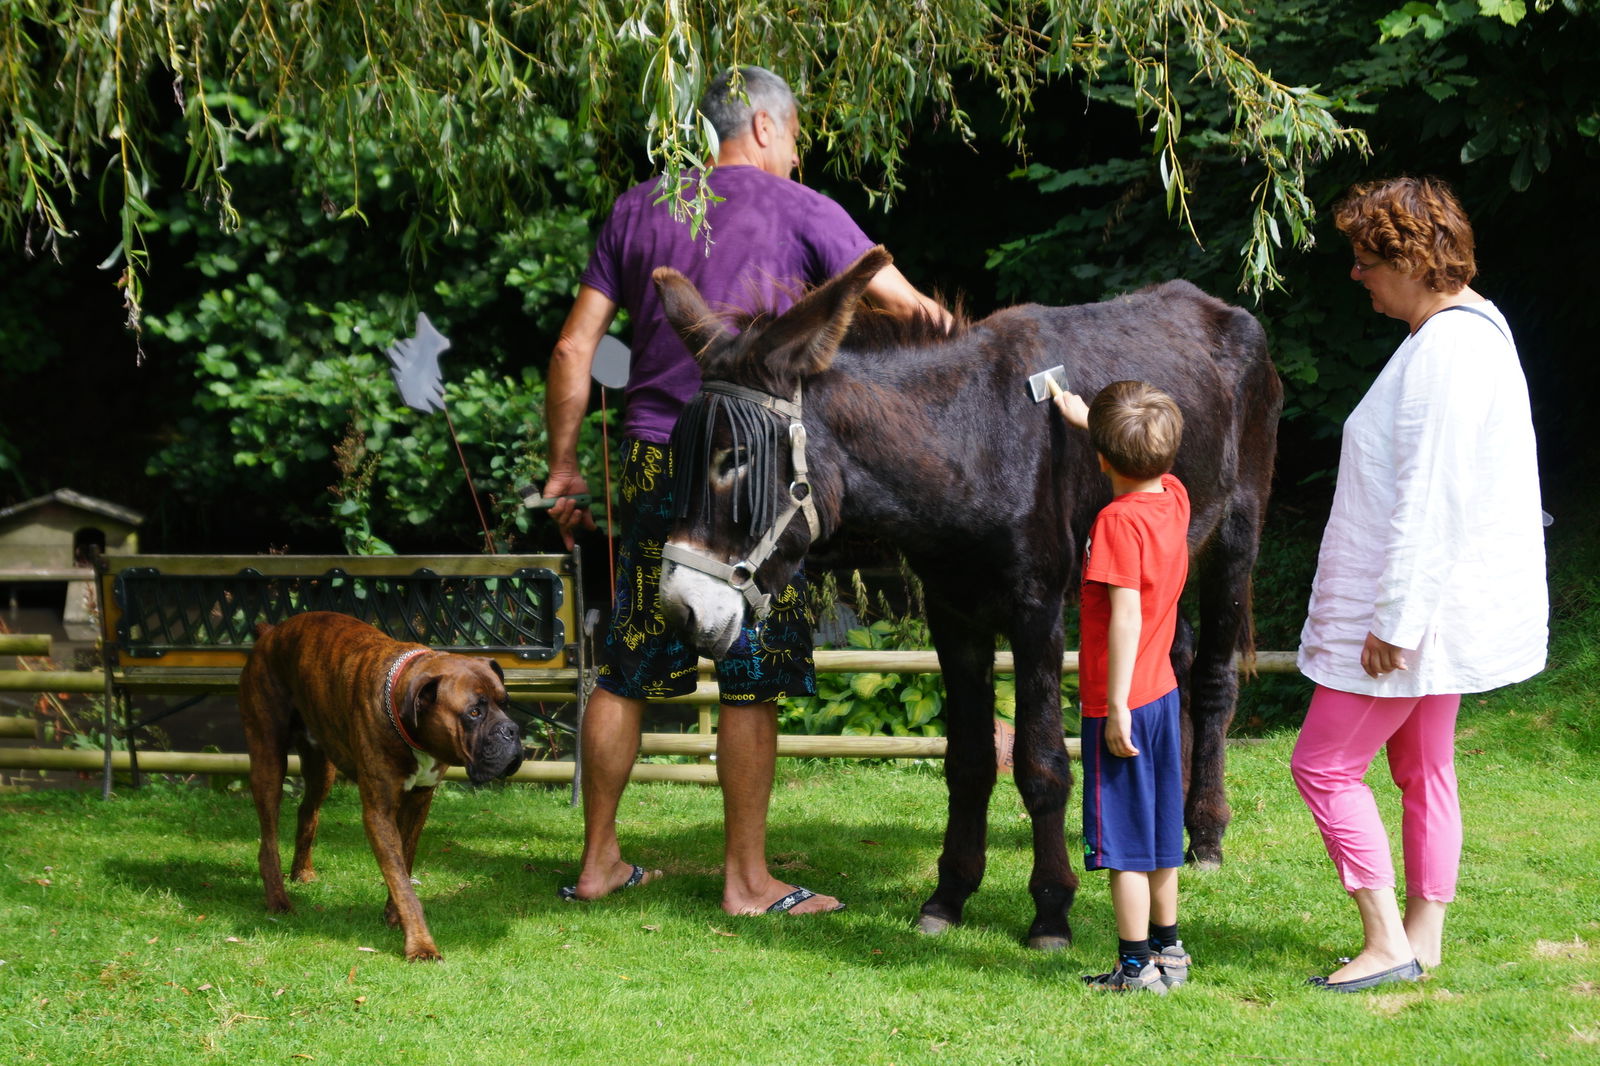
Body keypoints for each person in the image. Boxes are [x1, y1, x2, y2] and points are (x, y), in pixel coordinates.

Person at [541, 66, 949, 916]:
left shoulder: (639, 206)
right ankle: (747, 882)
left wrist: (566, 465)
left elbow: (575, 349)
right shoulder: (802, 209)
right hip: (755, 472)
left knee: (623, 665)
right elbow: (911, 313)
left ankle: (598, 864)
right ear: (764, 127)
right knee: (751, 674)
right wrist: (1011, 362)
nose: (796, 157)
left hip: (659, 461)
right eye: (795, 137)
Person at [1290, 176, 1547, 991]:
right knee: (1424, 765)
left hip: (1416, 614)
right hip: (1438, 608)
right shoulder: (1468, 333)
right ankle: (1422, 936)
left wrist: (1394, 622)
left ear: (1411, 257)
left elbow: (1430, 499)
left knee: (1322, 766)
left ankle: (1386, 942)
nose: (1357, 275)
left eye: (1367, 260)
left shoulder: (1449, 350)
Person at [1052, 380, 1192, 993]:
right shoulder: (1174, 500)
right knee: (1161, 832)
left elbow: (1125, 615)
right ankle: (1171, 953)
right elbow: (1153, 461)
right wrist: (1095, 425)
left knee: (1123, 842)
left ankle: (1134, 966)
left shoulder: (1116, 522)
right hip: (1162, 694)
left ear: (1104, 459)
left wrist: (1113, 708)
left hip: (1127, 703)